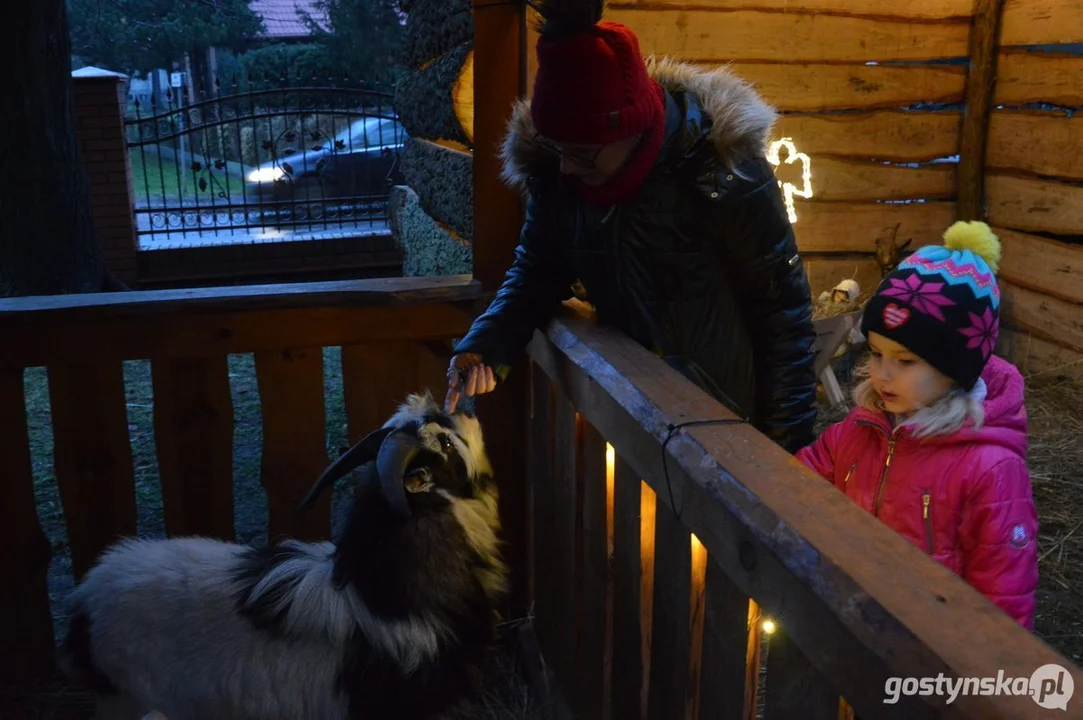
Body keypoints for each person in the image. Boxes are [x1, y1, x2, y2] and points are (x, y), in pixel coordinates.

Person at [443, 0, 818, 453]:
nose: (566, 168)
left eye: (582, 152)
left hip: (727, 431)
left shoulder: (720, 172)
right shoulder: (558, 180)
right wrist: (487, 342)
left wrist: (789, 451)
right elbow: (537, 272)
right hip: (634, 421)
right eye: (557, 148)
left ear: (635, 128)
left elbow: (783, 317)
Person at [796, 221, 1039, 629]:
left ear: (955, 368)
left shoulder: (990, 470)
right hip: (849, 622)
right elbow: (797, 487)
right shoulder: (862, 429)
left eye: (905, 361)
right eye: (875, 353)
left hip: (933, 652)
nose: (882, 375)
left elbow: (1004, 599)